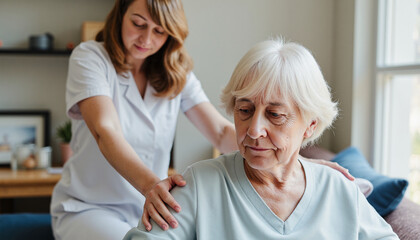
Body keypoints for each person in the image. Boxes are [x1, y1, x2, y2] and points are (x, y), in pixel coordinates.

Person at [50, 0, 352, 239]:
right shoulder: (90, 57)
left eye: (159, 31)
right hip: (91, 208)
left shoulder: (175, 72)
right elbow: (106, 131)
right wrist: (152, 187)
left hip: (150, 205)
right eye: (138, 23)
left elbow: (222, 132)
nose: (146, 38)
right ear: (120, 15)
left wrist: (296, 165)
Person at [123, 39, 398, 240]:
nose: (254, 130)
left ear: (310, 126)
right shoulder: (199, 185)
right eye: (244, 110)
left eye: (275, 115)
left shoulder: (339, 190)